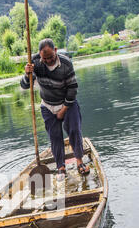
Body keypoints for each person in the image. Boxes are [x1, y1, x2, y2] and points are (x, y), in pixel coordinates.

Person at [20, 38, 89, 179]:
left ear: (56, 51)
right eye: (44, 58)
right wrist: (27, 74)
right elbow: (25, 86)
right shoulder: (35, 62)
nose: (48, 61)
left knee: (74, 130)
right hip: (48, 105)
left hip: (67, 103)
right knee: (55, 136)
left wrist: (63, 110)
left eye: (50, 57)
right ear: (40, 55)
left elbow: (72, 89)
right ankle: (61, 167)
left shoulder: (66, 64)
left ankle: (80, 162)